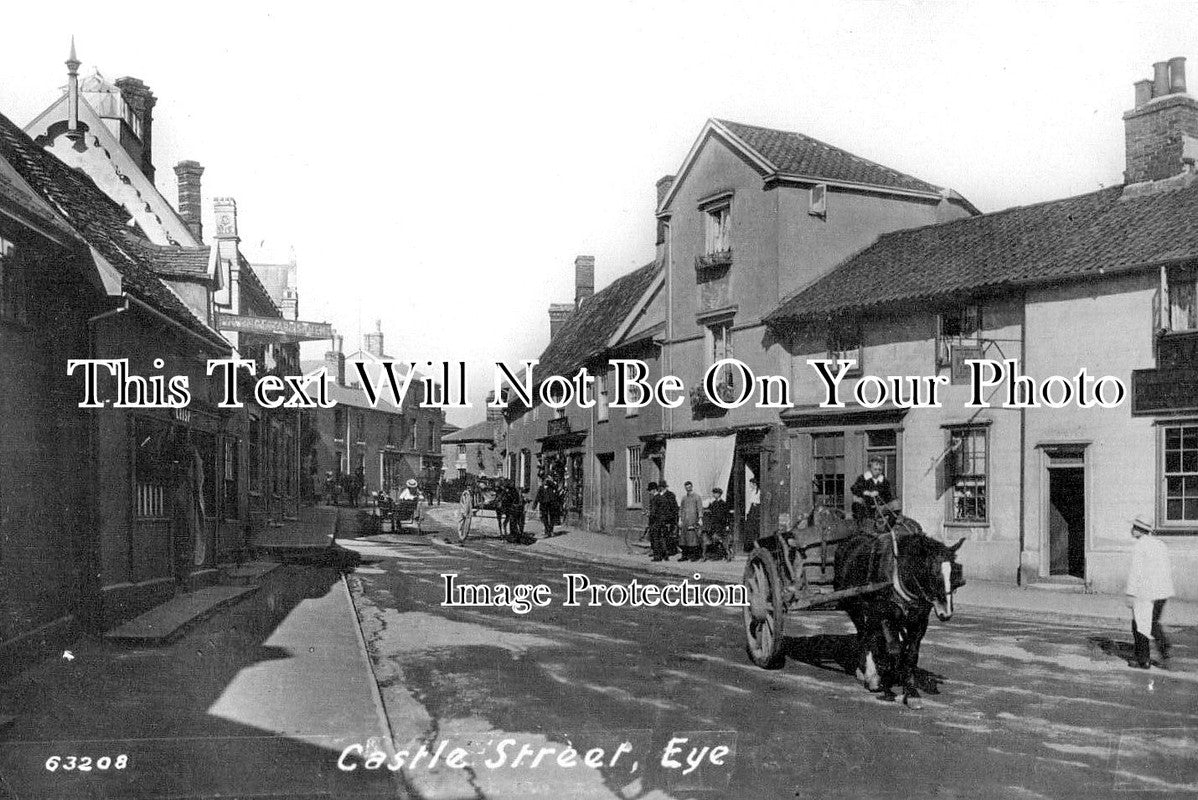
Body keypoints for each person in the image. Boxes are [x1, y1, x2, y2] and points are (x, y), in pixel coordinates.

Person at [1126, 515, 1174, 669]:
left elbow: (1136, 572)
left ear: (1140, 530)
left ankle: (1143, 659)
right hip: (1162, 591)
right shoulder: (1160, 544)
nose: (1132, 530)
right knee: (1153, 623)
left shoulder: (1140, 546)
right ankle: (1164, 648)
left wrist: (1131, 593)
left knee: (1139, 624)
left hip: (1145, 592)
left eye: (1134, 527)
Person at [850, 457, 894, 531]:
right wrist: (867, 493)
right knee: (857, 506)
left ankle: (886, 532)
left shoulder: (884, 481)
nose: (877, 471)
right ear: (870, 468)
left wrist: (879, 493)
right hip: (865, 505)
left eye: (880, 469)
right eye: (875, 469)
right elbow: (854, 488)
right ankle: (862, 530)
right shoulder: (863, 478)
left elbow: (889, 495)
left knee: (893, 511)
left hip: (880, 507)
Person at [646, 482, 673, 562]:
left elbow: (653, 512)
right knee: (662, 538)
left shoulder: (654, 498)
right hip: (663, 521)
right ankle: (665, 556)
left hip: (656, 522)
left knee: (655, 539)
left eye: (650, 490)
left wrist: (648, 514)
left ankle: (657, 557)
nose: (649, 492)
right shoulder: (663, 497)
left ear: (654, 490)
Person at [703, 487, 732, 561]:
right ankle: (717, 556)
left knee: (722, 541)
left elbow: (727, 515)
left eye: (715, 493)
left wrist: (727, 525)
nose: (714, 495)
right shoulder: (713, 503)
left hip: (721, 525)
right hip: (714, 525)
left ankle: (725, 555)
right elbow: (709, 513)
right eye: (714, 493)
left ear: (719, 494)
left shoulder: (723, 504)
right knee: (714, 541)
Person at [678, 481, 704, 561]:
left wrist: (700, 518)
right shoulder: (684, 498)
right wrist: (680, 519)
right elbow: (681, 509)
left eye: (689, 487)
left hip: (693, 520)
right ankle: (684, 556)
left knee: (693, 539)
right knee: (684, 539)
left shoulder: (697, 497)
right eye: (686, 488)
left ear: (692, 487)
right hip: (685, 520)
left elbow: (700, 508)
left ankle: (694, 556)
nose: (688, 489)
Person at [658, 480, 680, 556]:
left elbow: (674, 508)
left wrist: (672, 518)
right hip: (662, 518)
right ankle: (665, 551)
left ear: (663, 487)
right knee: (663, 535)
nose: (660, 489)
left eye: (661, 487)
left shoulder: (670, 495)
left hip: (669, 519)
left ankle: (671, 551)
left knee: (669, 535)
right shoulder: (660, 495)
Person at [743, 477, 761, 552]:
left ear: (754, 484)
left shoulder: (759, 492)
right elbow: (749, 503)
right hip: (752, 510)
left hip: (756, 510)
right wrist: (747, 513)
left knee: (755, 529)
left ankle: (756, 547)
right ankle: (750, 547)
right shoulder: (751, 492)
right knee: (749, 529)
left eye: (751, 484)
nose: (750, 485)